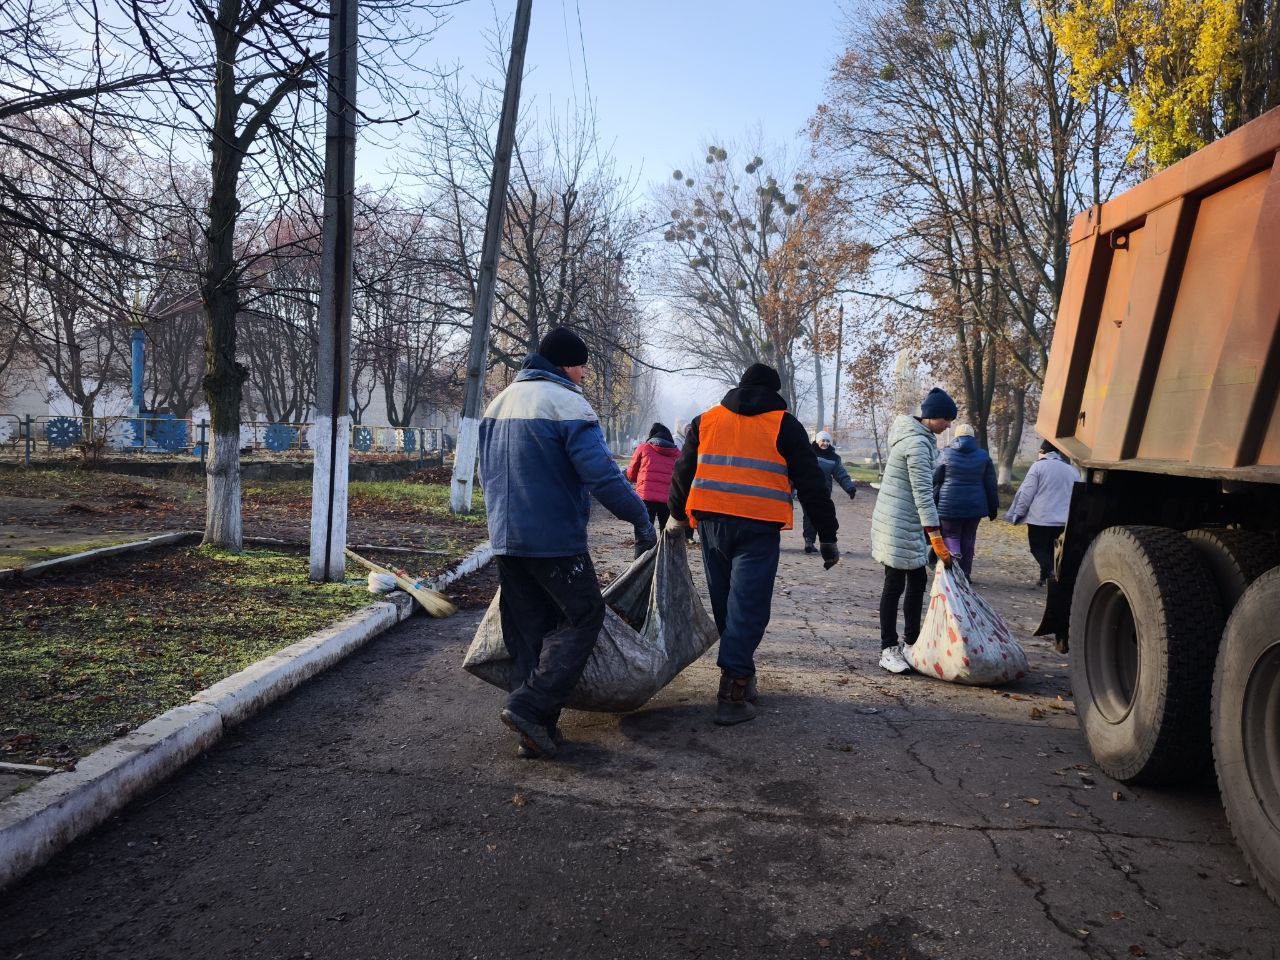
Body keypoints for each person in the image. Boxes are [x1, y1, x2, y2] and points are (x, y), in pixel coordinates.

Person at [478, 327, 656, 759]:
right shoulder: (567, 403)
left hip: (506, 538)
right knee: (583, 616)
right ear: (564, 365)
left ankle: (535, 729)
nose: (582, 375)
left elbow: (485, 473)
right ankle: (528, 705)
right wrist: (640, 518)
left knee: (530, 631)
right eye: (580, 366)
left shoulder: (498, 404)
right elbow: (600, 475)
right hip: (554, 539)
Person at [668, 362, 840, 725]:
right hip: (758, 527)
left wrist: (676, 516)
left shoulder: (706, 421)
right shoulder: (784, 425)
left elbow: (684, 470)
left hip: (712, 525)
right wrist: (827, 536)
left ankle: (741, 674)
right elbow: (811, 483)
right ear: (775, 393)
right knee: (748, 604)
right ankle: (733, 691)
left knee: (727, 604)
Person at [870, 387, 957, 674]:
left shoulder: (922, 440)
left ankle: (911, 642)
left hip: (908, 522)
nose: (948, 425)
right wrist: (936, 537)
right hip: (899, 523)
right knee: (894, 584)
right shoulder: (917, 445)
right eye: (946, 419)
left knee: (917, 582)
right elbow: (923, 493)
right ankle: (888, 648)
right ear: (931, 416)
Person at [1005, 439, 1079, 586]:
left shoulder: (1038, 467)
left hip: (1040, 518)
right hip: (1063, 519)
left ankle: (1051, 571)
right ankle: (1044, 578)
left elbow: (1026, 493)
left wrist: (1018, 513)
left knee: (1037, 547)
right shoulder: (1071, 470)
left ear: (1043, 452)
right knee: (1052, 549)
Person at [932, 424, 998, 579]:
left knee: (951, 535)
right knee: (969, 538)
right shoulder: (983, 456)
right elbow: (991, 485)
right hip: (975, 506)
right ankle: (965, 574)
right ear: (973, 438)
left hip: (949, 505)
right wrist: (993, 507)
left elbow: (935, 479)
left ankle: (951, 572)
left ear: (956, 437)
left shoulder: (945, 454)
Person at [802, 430, 857, 555]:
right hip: (807, 490)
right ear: (817, 441)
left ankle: (818, 542)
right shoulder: (808, 453)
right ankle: (809, 541)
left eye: (828, 441)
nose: (825, 443)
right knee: (810, 515)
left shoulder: (834, 458)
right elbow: (798, 470)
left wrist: (850, 488)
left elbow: (841, 474)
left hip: (823, 493)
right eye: (823, 440)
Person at [626, 422, 680, 537]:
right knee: (667, 536)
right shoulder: (677, 454)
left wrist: (641, 480)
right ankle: (665, 555)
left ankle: (642, 554)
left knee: (643, 533)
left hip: (645, 498)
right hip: (668, 500)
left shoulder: (643, 448)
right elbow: (680, 478)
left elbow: (631, 475)